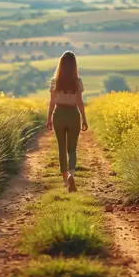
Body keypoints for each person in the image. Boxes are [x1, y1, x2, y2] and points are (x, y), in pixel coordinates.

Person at [46, 51, 88, 193]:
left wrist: (49, 118)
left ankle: (65, 180)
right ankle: (71, 174)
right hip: (73, 114)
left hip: (59, 114)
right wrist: (84, 119)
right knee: (72, 149)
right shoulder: (78, 81)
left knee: (61, 148)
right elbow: (80, 102)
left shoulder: (54, 81)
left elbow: (52, 102)